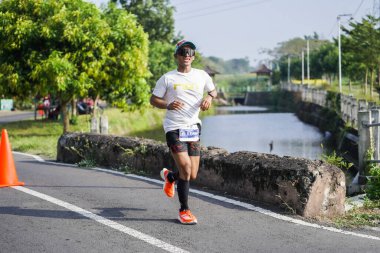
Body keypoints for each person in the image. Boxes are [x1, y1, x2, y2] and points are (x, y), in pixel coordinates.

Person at [150, 39, 217, 225]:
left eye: (190, 52)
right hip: (174, 128)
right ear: (176, 56)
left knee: (192, 174)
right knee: (186, 169)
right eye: (183, 52)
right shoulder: (168, 78)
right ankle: (184, 210)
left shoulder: (202, 76)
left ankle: (171, 177)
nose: (186, 55)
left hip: (193, 127)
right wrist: (167, 104)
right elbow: (153, 100)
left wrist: (209, 98)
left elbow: (213, 91)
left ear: (193, 57)